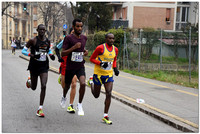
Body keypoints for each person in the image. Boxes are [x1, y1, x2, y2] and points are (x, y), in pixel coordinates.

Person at [21, 24, 55, 117]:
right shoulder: (33, 40)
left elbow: (48, 50)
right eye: (40, 30)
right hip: (34, 66)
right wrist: (31, 55)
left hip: (44, 66)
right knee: (33, 87)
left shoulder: (48, 41)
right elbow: (23, 51)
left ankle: (40, 108)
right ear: (37, 30)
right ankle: (30, 81)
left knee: (43, 85)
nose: (42, 31)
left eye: (44, 30)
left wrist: (51, 55)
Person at [88, 33, 119, 124]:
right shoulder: (100, 48)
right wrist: (100, 63)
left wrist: (115, 68)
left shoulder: (115, 49)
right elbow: (91, 59)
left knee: (108, 93)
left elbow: (114, 59)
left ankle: (105, 115)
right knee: (96, 95)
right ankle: (91, 82)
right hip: (98, 74)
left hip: (108, 75)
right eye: (110, 38)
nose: (112, 40)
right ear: (106, 39)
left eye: (113, 39)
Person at [61, 18, 88, 116]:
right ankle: (64, 97)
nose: (80, 28)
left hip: (80, 66)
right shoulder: (68, 38)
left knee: (83, 83)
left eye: (81, 26)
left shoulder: (84, 38)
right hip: (70, 67)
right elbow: (63, 53)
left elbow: (81, 48)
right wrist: (73, 48)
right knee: (67, 86)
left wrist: (85, 52)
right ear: (73, 27)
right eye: (78, 26)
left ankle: (79, 104)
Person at [55, 27, 77, 113]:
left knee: (74, 84)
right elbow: (57, 48)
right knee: (65, 86)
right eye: (72, 33)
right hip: (65, 65)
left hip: (74, 65)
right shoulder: (66, 40)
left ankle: (71, 105)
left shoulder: (79, 41)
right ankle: (64, 95)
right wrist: (59, 58)